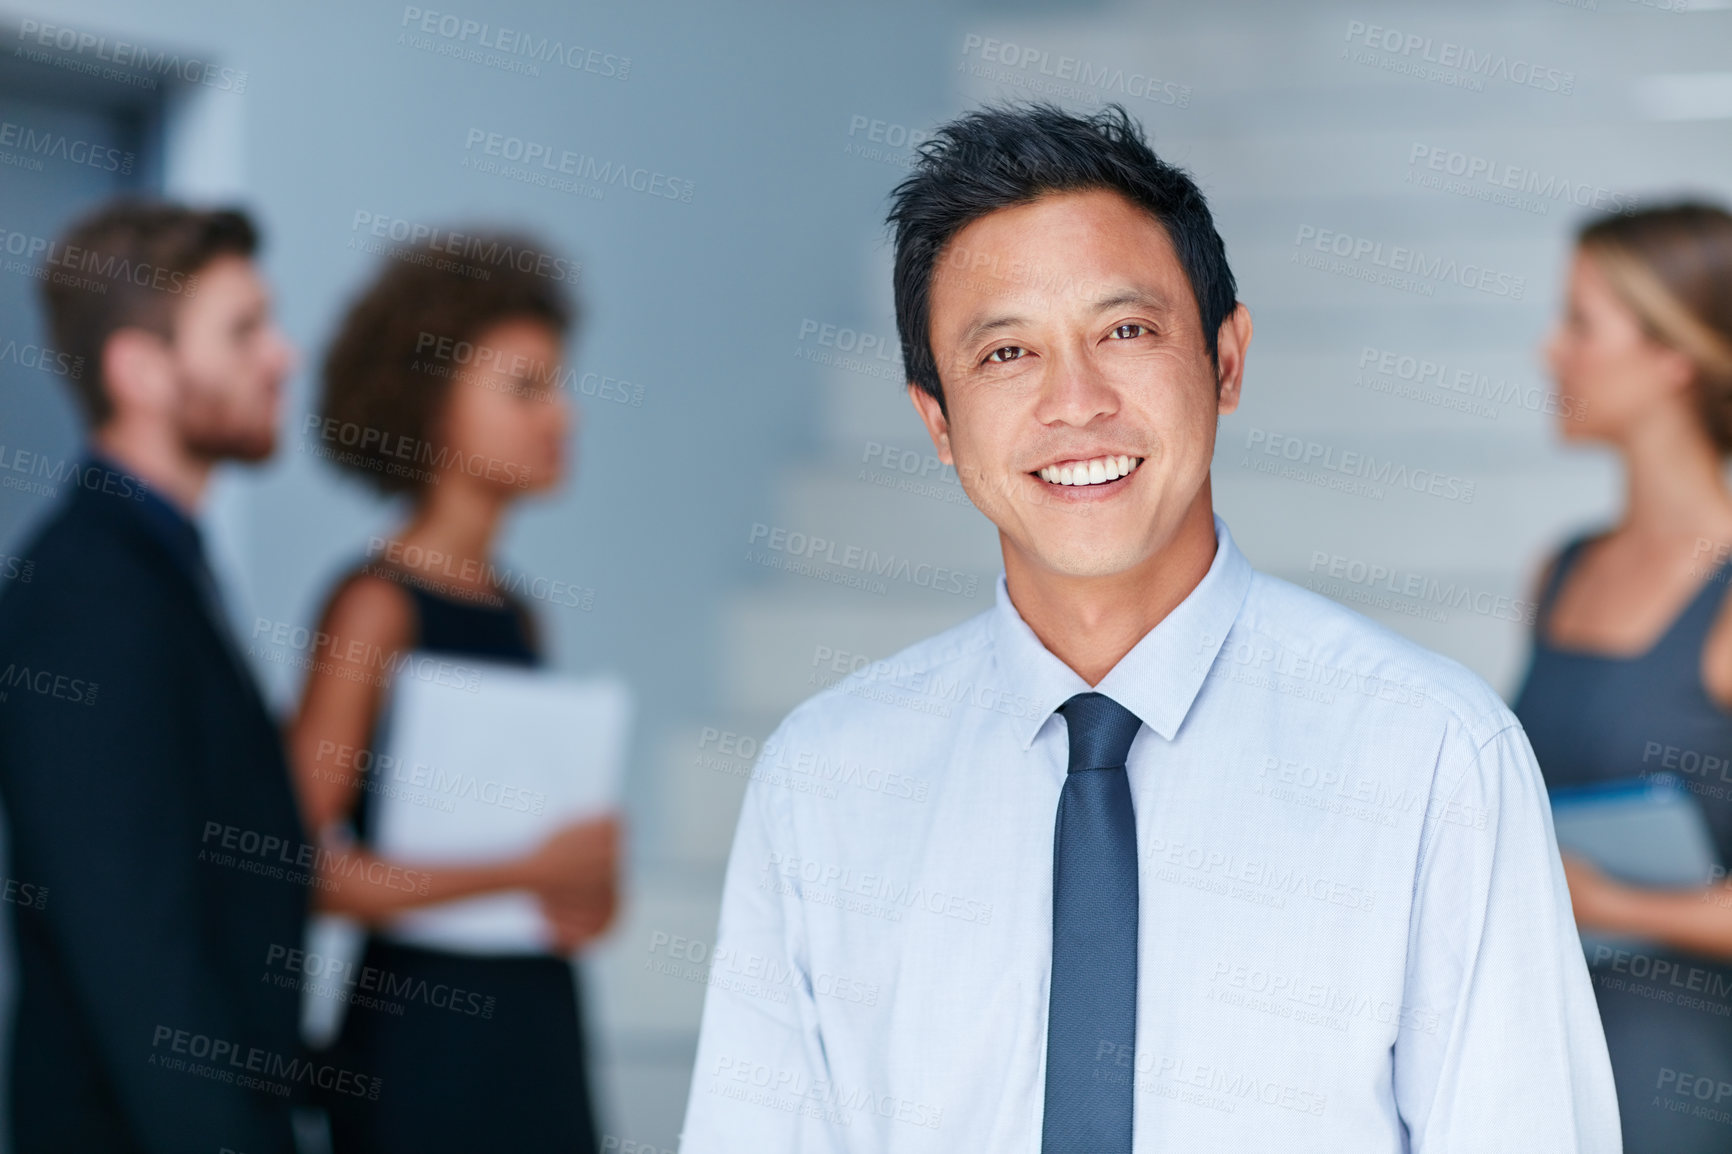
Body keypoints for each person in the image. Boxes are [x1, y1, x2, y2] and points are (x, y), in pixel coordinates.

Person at [681, 103, 1617, 1152]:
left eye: (1125, 331)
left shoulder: (1433, 753)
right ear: (935, 420)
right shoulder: (823, 778)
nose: (1074, 401)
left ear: (1225, 359)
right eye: (1004, 354)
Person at [295, 232, 618, 1153]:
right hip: (420, 1052)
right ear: (432, 404)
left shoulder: (520, 613)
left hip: (537, 1030)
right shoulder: (373, 608)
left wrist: (586, 881)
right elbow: (296, 866)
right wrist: (527, 871)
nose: (564, 416)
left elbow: (556, 879)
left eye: (558, 384)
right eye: (526, 388)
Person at [0, 202, 307, 1152]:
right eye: (243, 329)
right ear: (140, 371)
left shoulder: (159, 566)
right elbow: (135, 955)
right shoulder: (89, 588)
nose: (282, 357)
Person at [1511, 202, 1732, 1154]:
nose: (1548, 354)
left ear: (1673, 357)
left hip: (1680, 1086)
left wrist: (1605, 902)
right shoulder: (1559, 570)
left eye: (1580, 323)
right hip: (1540, 1069)